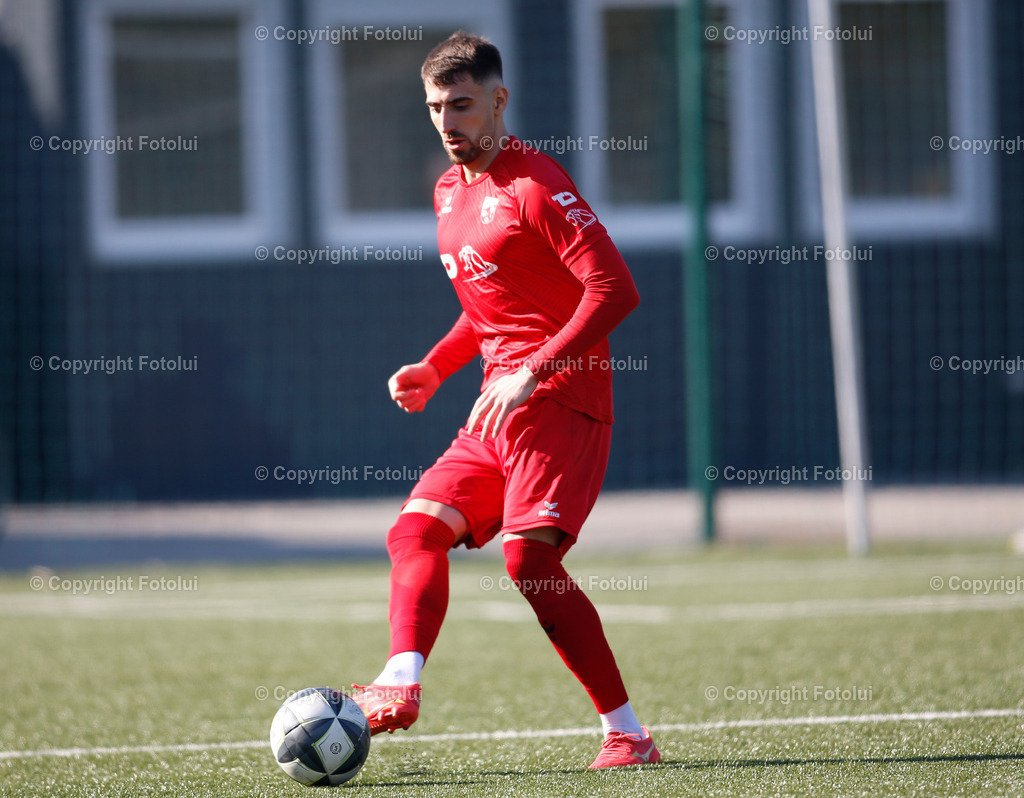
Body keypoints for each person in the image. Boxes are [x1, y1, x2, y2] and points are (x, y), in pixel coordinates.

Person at [351, 30, 660, 769]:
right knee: (415, 530)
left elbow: (616, 288)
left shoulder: (536, 184)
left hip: (562, 400)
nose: (448, 122)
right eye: (434, 108)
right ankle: (401, 679)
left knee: (529, 563)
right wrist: (435, 366)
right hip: (497, 403)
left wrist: (536, 370)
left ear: (498, 100)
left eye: (461, 105)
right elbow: (492, 306)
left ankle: (628, 733)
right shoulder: (449, 192)